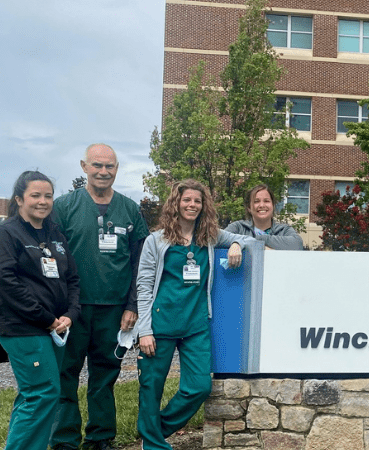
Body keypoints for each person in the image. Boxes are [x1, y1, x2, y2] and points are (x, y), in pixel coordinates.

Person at [135, 179, 255, 450]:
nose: (191, 205)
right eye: (186, 200)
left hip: (195, 326)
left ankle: (154, 430)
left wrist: (237, 245)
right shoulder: (156, 240)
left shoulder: (209, 237)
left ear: (204, 206)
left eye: (197, 201)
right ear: (175, 203)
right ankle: (153, 444)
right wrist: (144, 330)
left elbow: (247, 239)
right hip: (160, 325)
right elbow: (143, 286)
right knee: (150, 389)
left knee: (199, 387)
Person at [51, 143, 149, 450]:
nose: (103, 172)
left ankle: (100, 438)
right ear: (84, 167)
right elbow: (51, 258)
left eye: (109, 166)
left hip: (114, 310)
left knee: (105, 376)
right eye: (97, 165)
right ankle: (64, 439)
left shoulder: (130, 210)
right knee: (65, 374)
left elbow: (140, 263)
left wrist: (133, 305)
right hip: (72, 309)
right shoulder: (64, 207)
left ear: (117, 169)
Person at [0, 171, 81, 450]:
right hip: (24, 329)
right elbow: (7, 283)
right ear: (19, 199)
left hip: (56, 328)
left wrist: (70, 314)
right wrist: (47, 319)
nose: (43, 201)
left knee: (34, 395)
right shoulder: (6, 235)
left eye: (48, 196)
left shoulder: (55, 235)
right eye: (35, 195)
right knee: (42, 394)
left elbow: (72, 279)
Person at [224, 184, 304, 250]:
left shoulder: (284, 230)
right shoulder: (238, 227)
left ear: (273, 205)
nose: (262, 205)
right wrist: (236, 243)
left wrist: (261, 239)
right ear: (249, 208)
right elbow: (219, 240)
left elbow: (298, 244)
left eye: (266, 201)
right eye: (256, 201)